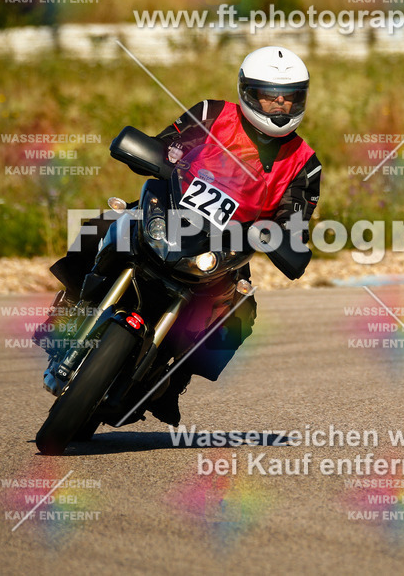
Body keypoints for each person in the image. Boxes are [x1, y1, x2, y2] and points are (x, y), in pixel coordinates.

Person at [46, 46, 322, 426]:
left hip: (226, 252)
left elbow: (294, 223)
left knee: (240, 316)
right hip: (168, 212)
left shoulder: (305, 164)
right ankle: (68, 309)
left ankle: (171, 383)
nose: (279, 106)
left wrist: (280, 237)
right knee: (102, 224)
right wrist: (153, 154)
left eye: (289, 98)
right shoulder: (211, 114)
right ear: (246, 92)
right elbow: (166, 144)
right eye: (268, 96)